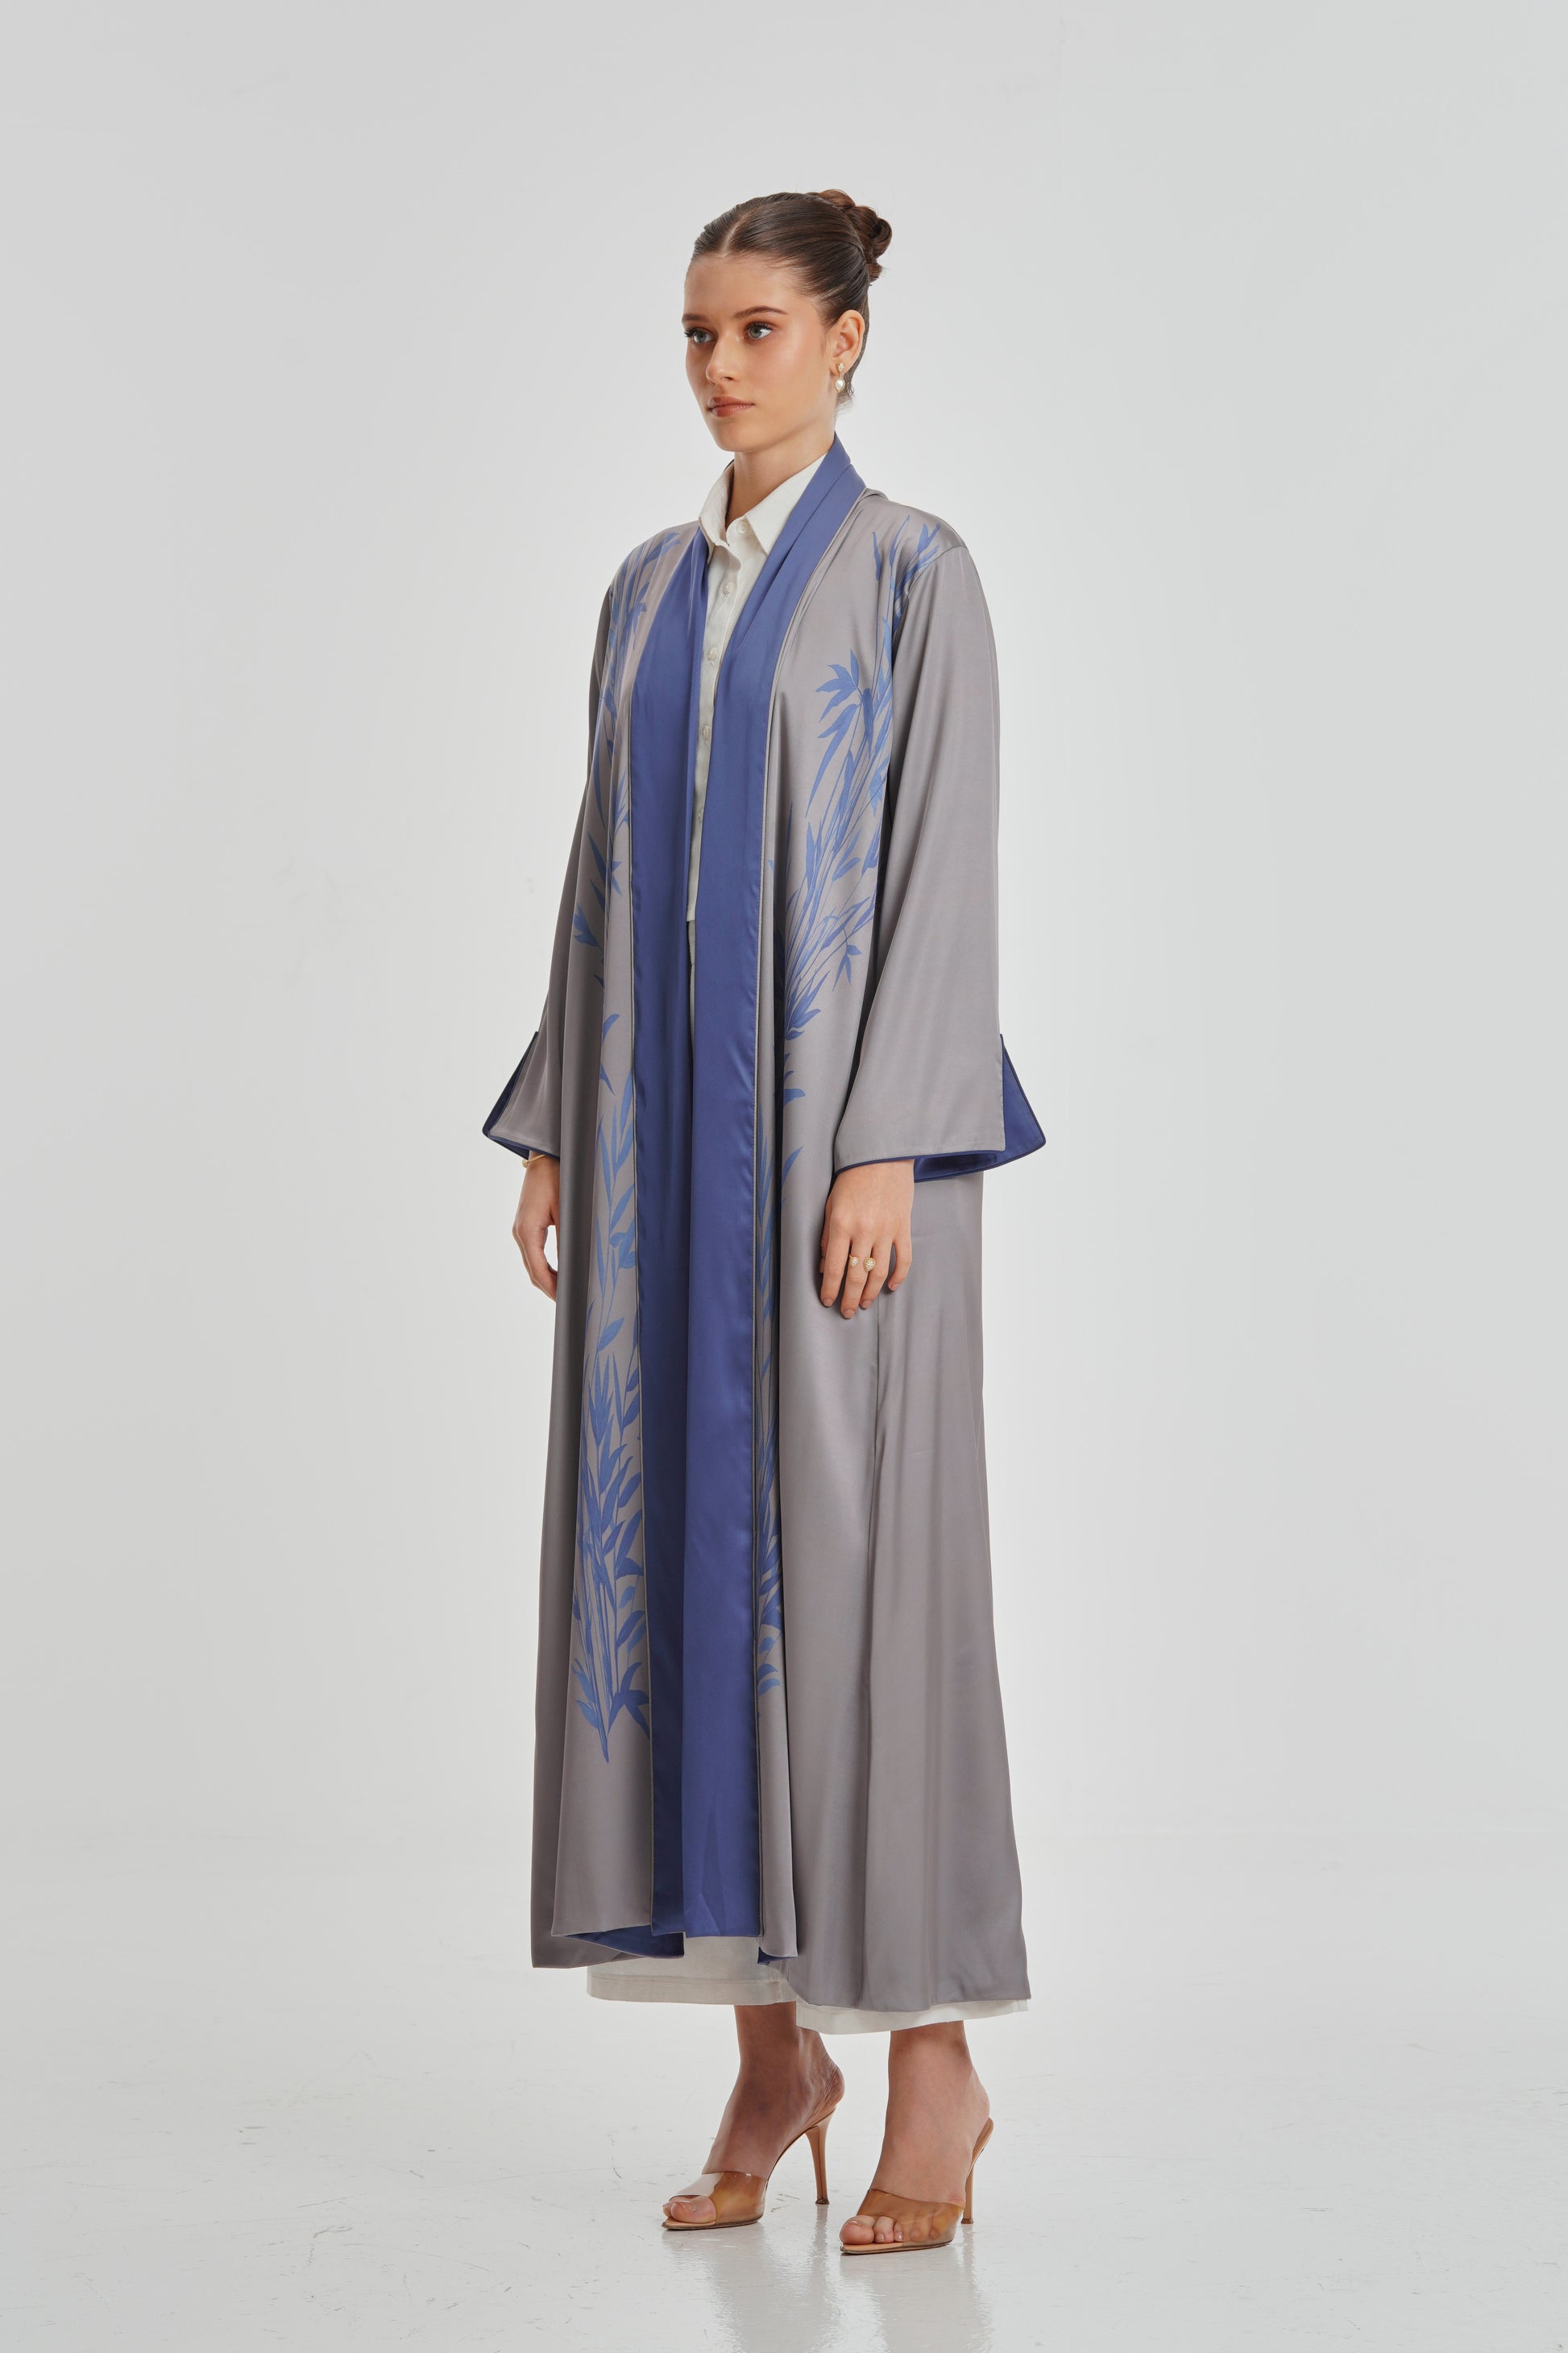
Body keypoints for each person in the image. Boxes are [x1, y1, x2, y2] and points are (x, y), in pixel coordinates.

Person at [485, 188, 1044, 2253]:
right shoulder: (646, 590)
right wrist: (561, 1124)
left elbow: (945, 860)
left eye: (758, 329)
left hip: (841, 1168)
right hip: (660, 1165)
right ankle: (769, 2051)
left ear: (845, 340)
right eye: (696, 332)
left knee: (864, 1588)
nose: (720, 367)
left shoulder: (911, 574)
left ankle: (934, 2066)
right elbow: (598, 865)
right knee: (682, 1564)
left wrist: (890, 1140)